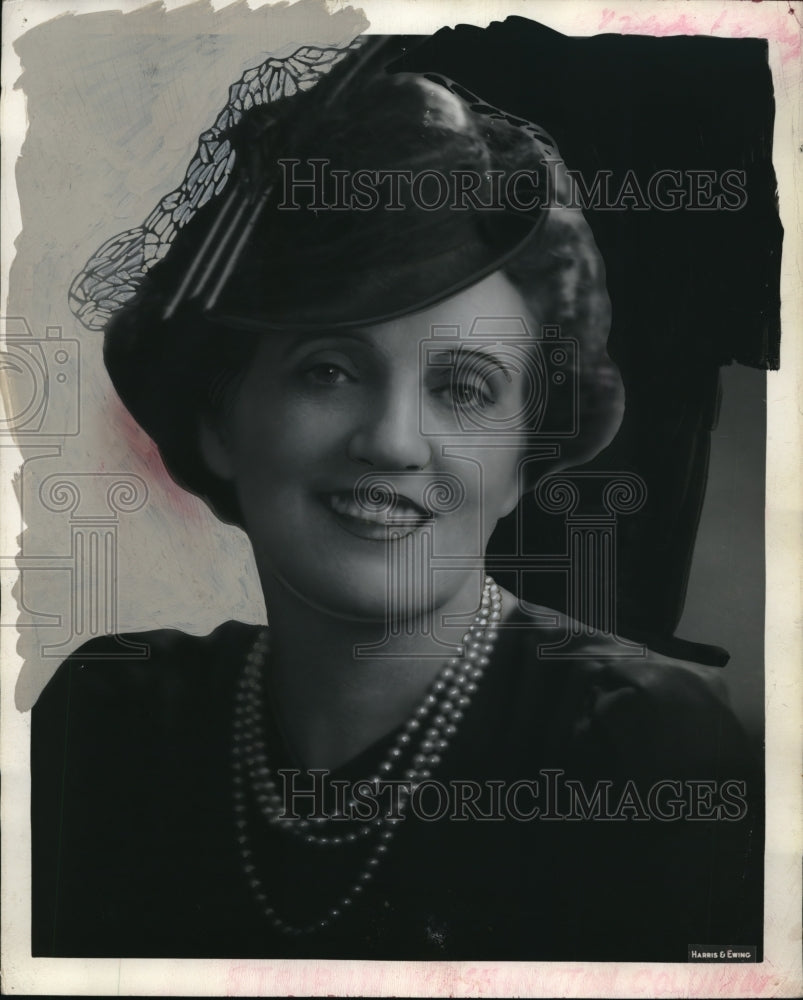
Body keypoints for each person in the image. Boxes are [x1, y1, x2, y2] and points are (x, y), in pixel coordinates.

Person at [31, 37, 761, 961]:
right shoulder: (113, 721)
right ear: (221, 420)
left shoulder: (646, 745)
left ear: (524, 460)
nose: (389, 439)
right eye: (328, 369)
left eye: (461, 387)